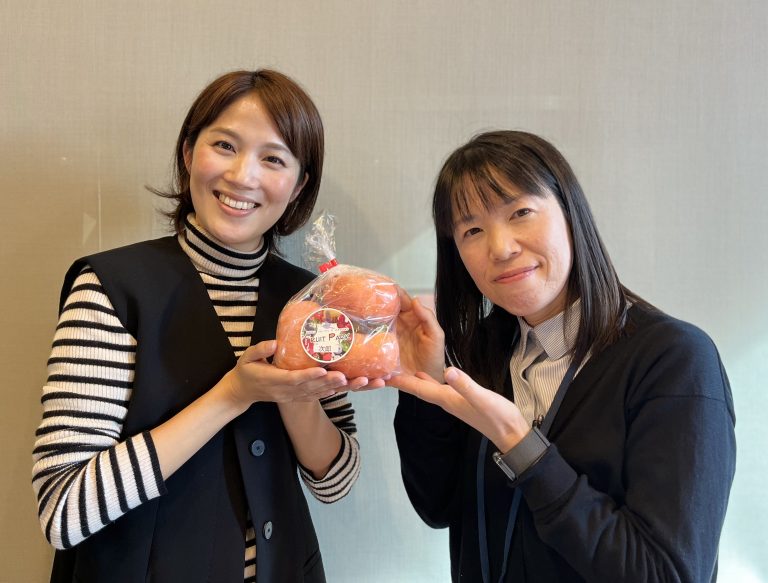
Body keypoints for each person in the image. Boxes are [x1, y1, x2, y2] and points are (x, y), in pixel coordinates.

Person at [32, 69, 377, 583]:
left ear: (298, 185)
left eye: (273, 159)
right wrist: (234, 394)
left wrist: (297, 394)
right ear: (189, 153)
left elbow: (335, 483)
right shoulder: (111, 288)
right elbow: (63, 510)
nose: (243, 176)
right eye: (225, 145)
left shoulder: (312, 301)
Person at [390, 130, 736, 582]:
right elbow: (439, 507)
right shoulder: (481, 354)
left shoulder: (674, 360)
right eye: (472, 230)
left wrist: (523, 446)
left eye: (520, 212)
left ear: (570, 213)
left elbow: (667, 573)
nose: (501, 248)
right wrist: (426, 387)